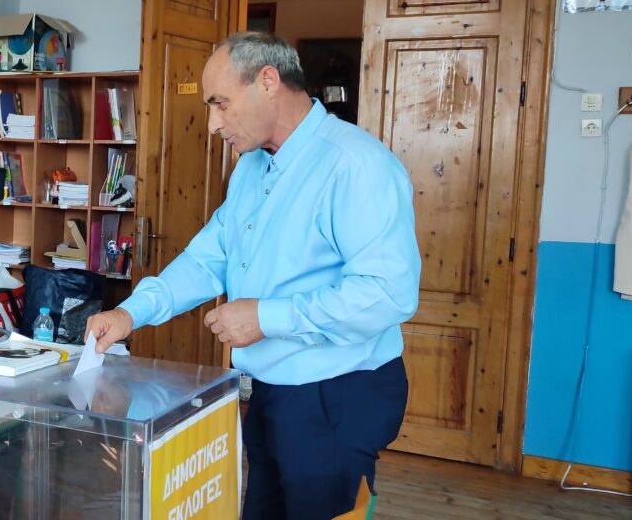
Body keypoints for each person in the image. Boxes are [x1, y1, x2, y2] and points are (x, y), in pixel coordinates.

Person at [85, 32, 421, 520]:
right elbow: (209, 258)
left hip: (338, 394)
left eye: (220, 104)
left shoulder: (356, 165)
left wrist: (267, 318)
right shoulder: (250, 169)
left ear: (268, 81)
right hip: (269, 393)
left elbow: (388, 293)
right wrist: (130, 313)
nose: (213, 124)